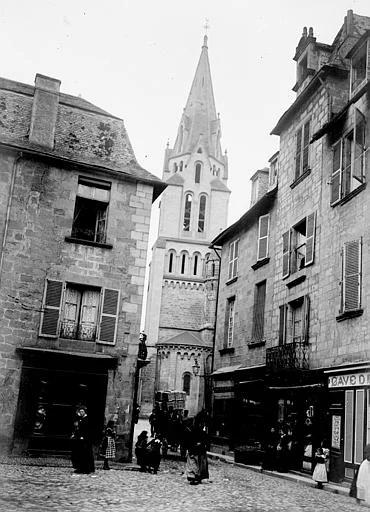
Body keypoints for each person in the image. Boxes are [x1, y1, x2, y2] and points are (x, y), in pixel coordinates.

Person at [185, 412, 209, 485]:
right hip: (198, 448)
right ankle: (196, 476)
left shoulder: (193, 428)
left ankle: (194, 476)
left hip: (195, 448)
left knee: (194, 462)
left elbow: (189, 438)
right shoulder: (201, 429)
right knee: (198, 462)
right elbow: (205, 438)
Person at [71, 406, 95, 475]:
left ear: (85, 412)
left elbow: (87, 430)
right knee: (80, 454)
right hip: (80, 439)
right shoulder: (81, 419)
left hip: (86, 439)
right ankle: (80, 468)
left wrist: (83, 436)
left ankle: (86, 469)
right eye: (80, 411)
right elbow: (78, 428)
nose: (81, 413)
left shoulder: (87, 419)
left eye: (82, 411)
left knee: (86, 454)